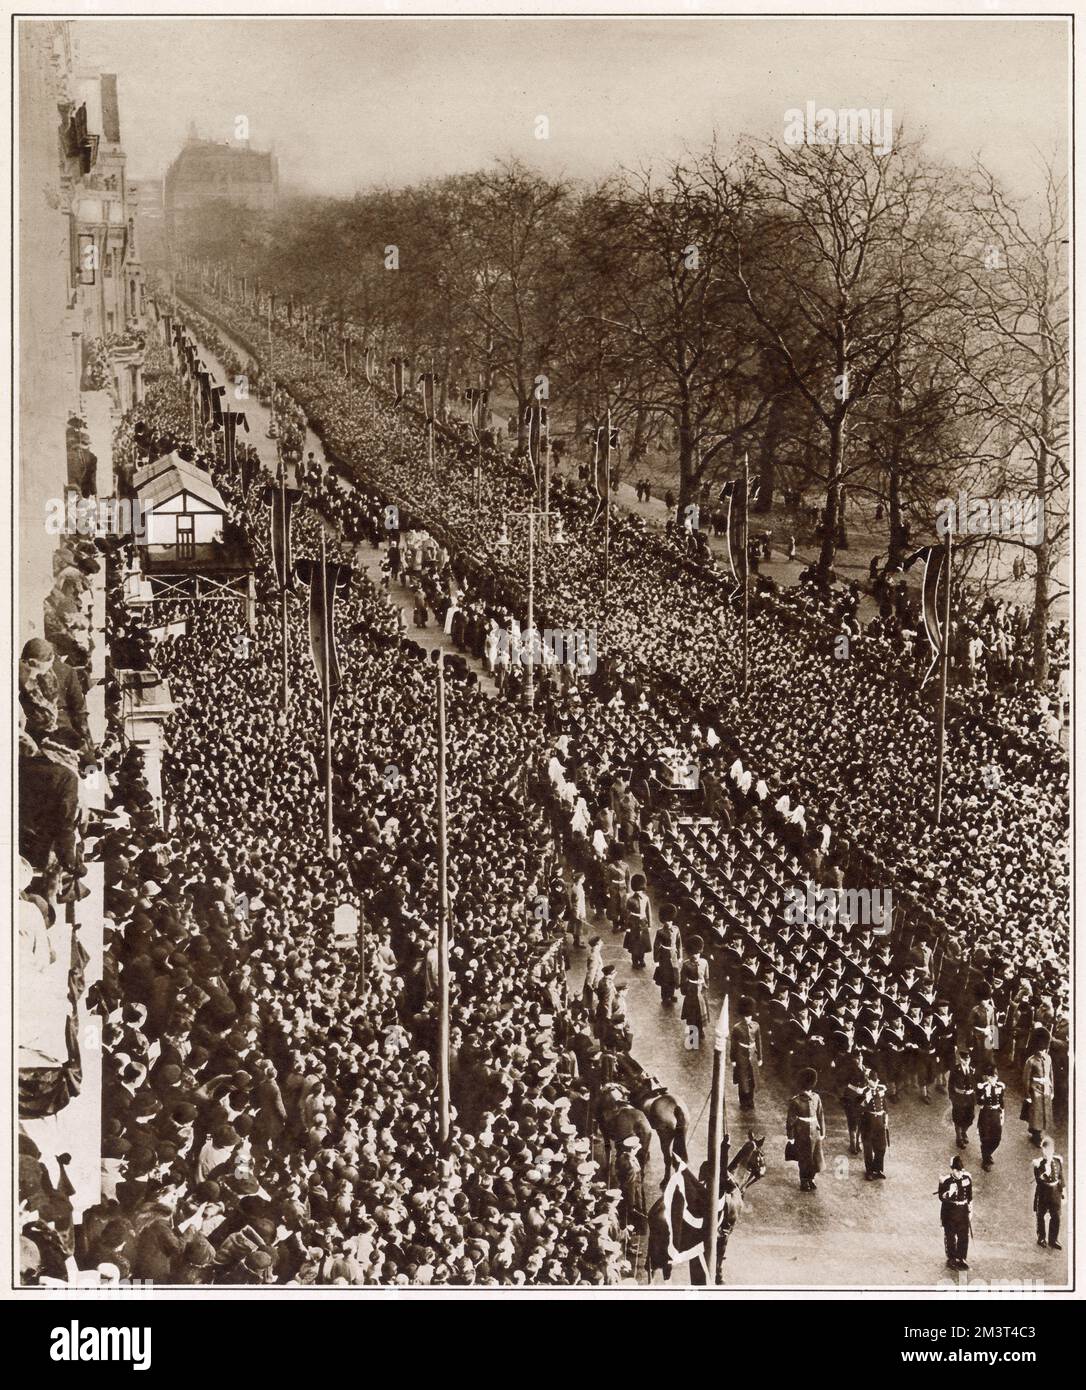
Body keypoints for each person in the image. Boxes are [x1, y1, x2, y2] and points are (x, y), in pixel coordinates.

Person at [786, 1068, 825, 1192]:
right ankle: (804, 1181)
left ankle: (811, 1179)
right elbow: (790, 1120)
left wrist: (822, 1132)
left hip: (815, 1131)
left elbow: (820, 1115)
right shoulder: (795, 1101)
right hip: (801, 1132)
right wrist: (791, 1137)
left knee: (814, 1158)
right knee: (804, 1158)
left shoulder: (816, 1097)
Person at [937, 1154, 973, 1271]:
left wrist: (971, 1210)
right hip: (950, 1211)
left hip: (963, 1211)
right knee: (950, 1235)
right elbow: (941, 1197)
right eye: (957, 1171)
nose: (960, 1174)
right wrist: (948, 1193)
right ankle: (951, 1258)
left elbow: (969, 1196)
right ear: (952, 1170)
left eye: (961, 1171)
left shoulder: (967, 1178)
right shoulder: (946, 1181)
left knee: (963, 1236)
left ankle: (961, 1257)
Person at [1022, 1028, 1054, 1147]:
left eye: (1043, 1049)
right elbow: (1026, 1079)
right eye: (1040, 1049)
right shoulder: (1030, 1061)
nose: (1042, 1051)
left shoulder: (1048, 1058)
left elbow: (1051, 1075)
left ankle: (1037, 1132)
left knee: (1043, 1114)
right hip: (1035, 1090)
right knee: (1036, 1115)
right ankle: (1036, 1136)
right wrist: (1027, 1094)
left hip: (1046, 1089)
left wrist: (1052, 1090)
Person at [730, 996, 762, 1111]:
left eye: (749, 1016)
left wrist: (760, 1058)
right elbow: (733, 1045)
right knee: (742, 1080)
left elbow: (758, 1042)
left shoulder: (756, 1026)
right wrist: (733, 1059)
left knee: (752, 1079)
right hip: (741, 1056)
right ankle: (743, 1101)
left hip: (753, 1055)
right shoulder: (737, 1028)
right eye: (746, 1016)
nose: (748, 1018)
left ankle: (750, 1099)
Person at [1032, 1137, 1064, 1250]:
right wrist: (1046, 1171)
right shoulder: (1039, 1164)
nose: (1048, 1152)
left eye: (1050, 1149)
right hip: (1044, 1193)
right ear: (1043, 1150)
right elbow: (1039, 1180)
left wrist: (1063, 1191)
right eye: (1046, 1149)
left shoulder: (1058, 1161)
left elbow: (1061, 1177)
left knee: (1056, 1217)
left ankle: (1053, 1239)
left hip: (1055, 1193)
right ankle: (1041, 1237)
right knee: (1040, 1215)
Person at [680, 937, 710, 1048]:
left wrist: (705, 986)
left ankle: (700, 1030)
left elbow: (707, 977)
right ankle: (693, 1037)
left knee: (701, 1013)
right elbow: (683, 980)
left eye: (698, 953)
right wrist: (686, 989)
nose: (696, 956)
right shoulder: (686, 964)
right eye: (694, 954)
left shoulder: (704, 962)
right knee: (692, 1015)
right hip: (691, 992)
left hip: (701, 992)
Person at [974, 1065, 1005, 1172]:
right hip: (986, 1114)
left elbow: (1001, 1102)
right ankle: (985, 1160)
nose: (993, 1079)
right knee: (986, 1138)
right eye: (991, 1077)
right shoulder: (983, 1087)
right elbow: (979, 1102)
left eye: (995, 1077)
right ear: (987, 1077)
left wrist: (1002, 1116)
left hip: (996, 1114)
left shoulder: (1000, 1087)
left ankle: (987, 1153)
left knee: (997, 1138)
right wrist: (981, 1093)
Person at [652, 904, 682, 1007]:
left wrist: (680, 956)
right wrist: (656, 960)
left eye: (670, 921)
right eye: (666, 921)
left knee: (673, 977)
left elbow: (679, 943)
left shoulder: (676, 929)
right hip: (664, 957)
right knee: (665, 978)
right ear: (663, 921)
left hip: (674, 956)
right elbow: (656, 946)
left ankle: (671, 994)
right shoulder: (660, 932)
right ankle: (665, 997)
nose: (668, 923)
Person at [859, 1078, 889, 1180]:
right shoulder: (864, 1091)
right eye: (873, 1080)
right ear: (868, 1080)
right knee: (868, 1149)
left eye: (876, 1080)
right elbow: (859, 1108)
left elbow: (885, 1107)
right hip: (868, 1123)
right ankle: (869, 1171)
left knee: (881, 1147)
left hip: (880, 1123)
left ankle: (878, 1169)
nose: (875, 1083)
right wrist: (867, 1099)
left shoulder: (881, 1089)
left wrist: (886, 1121)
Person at [623, 874, 652, 969]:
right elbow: (627, 914)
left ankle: (641, 959)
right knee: (634, 945)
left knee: (642, 944)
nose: (639, 892)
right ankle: (634, 961)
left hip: (643, 923)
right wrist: (627, 927)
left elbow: (648, 912)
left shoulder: (646, 898)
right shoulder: (630, 899)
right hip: (634, 923)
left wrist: (650, 925)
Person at [948, 1051, 976, 1150]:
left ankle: (964, 1132)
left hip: (970, 1098)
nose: (966, 1061)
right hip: (959, 1097)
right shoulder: (955, 1070)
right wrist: (952, 1097)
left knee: (970, 1118)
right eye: (964, 1059)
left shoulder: (972, 1069)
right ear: (961, 1059)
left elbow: (975, 1083)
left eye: (968, 1059)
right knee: (958, 1118)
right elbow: (951, 1085)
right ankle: (959, 1138)